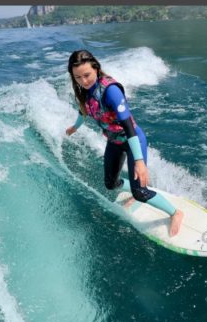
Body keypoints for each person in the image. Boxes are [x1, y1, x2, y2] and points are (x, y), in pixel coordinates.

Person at [64, 50, 184, 236]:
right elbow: (84, 111)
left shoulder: (110, 91)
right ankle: (136, 189)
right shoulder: (85, 92)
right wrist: (75, 127)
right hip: (114, 141)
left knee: (140, 193)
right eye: (78, 77)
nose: (83, 81)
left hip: (132, 140)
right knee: (111, 184)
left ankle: (175, 213)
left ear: (96, 68)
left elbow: (128, 127)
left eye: (87, 75)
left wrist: (139, 161)